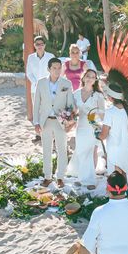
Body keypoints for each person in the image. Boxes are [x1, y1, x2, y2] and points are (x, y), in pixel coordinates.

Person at [33, 57, 75, 188]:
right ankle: (47, 177)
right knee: (46, 149)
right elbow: (37, 104)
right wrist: (36, 122)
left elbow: (70, 104)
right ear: (49, 69)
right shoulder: (41, 83)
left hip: (60, 122)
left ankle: (61, 177)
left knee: (62, 149)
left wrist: (70, 122)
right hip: (45, 121)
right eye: (54, 68)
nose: (57, 70)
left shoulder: (66, 83)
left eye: (59, 67)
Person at [66, 69, 106, 189]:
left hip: (93, 126)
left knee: (92, 151)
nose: (90, 78)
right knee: (81, 151)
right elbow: (73, 111)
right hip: (81, 126)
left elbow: (103, 113)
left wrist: (103, 126)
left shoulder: (98, 95)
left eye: (93, 77)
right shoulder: (76, 93)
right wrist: (69, 117)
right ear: (83, 78)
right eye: (88, 76)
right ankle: (82, 177)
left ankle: (90, 179)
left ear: (95, 80)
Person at [98, 91, 128, 198]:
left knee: (117, 176)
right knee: (127, 172)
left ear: (111, 97)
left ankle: (119, 197)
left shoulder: (110, 112)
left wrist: (97, 133)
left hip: (115, 150)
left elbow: (103, 135)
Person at [26, 36, 55, 142]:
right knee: (36, 110)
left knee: (49, 109)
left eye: (41, 44)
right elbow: (28, 72)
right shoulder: (31, 57)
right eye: (37, 44)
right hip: (35, 88)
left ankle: (51, 133)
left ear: (44, 45)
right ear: (34, 45)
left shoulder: (50, 56)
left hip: (48, 87)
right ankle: (38, 134)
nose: (39, 46)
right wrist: (36, 82)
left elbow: (54, 71)